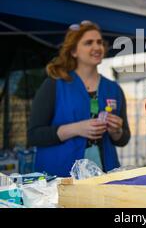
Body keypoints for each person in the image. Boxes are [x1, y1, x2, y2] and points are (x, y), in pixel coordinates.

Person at [28, 21, 130, 177]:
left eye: (99, 42)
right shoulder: (54, 85)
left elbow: (123, 139)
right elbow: (34, 135)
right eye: (89, 43)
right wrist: (76, 129)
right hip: (59, 175)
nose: (97, 47)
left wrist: (116, 130)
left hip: (105, 172)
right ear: (74, 51)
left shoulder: (113, 89)